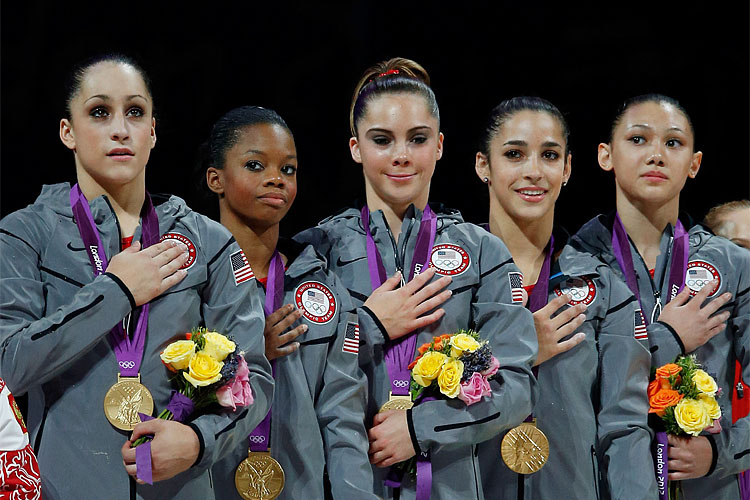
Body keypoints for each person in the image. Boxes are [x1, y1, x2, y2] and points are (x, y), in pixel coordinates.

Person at [0, 54, 273, 499]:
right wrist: (116, 291)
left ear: (152, 132)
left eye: (135, 112)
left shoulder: (209, 241)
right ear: (68, 131)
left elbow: (255, 377)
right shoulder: (24, 234)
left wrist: (198, 440)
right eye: (99, 112)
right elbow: (7, 367)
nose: (120, 129)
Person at [295, 58, 538, 500]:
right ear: (355, 147)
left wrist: (420, 427)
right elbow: (297, 382)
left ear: (440, 145)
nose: (402, 155)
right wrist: (366, 325)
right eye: (382, 140)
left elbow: (516, 385)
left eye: (418, 139)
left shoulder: (483, 254)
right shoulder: (314, 253)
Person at [472, 96, 656, 499]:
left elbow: (625, 428)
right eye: (514, 154)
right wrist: (521, 349)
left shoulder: (604, 288)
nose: (533, 171)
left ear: (567, 168)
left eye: (550, 155)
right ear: (483, 165)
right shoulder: (448, 277)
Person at [572, 94, 749, 499]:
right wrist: (666, 337)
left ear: (694, 164)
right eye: (638, 140)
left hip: (707, 486)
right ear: (605, 155)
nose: (656, 155)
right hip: (598, 483)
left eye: (673, 143)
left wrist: (721, 451)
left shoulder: (732, 265)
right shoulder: (573, 265)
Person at [201, 105, 377, 499]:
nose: (275, 180)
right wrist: (247, 353)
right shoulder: (188, 280)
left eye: (288, 169)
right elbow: (166, 397)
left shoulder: (325, 289)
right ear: (217, 179)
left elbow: (342, 416)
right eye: (255, 165)